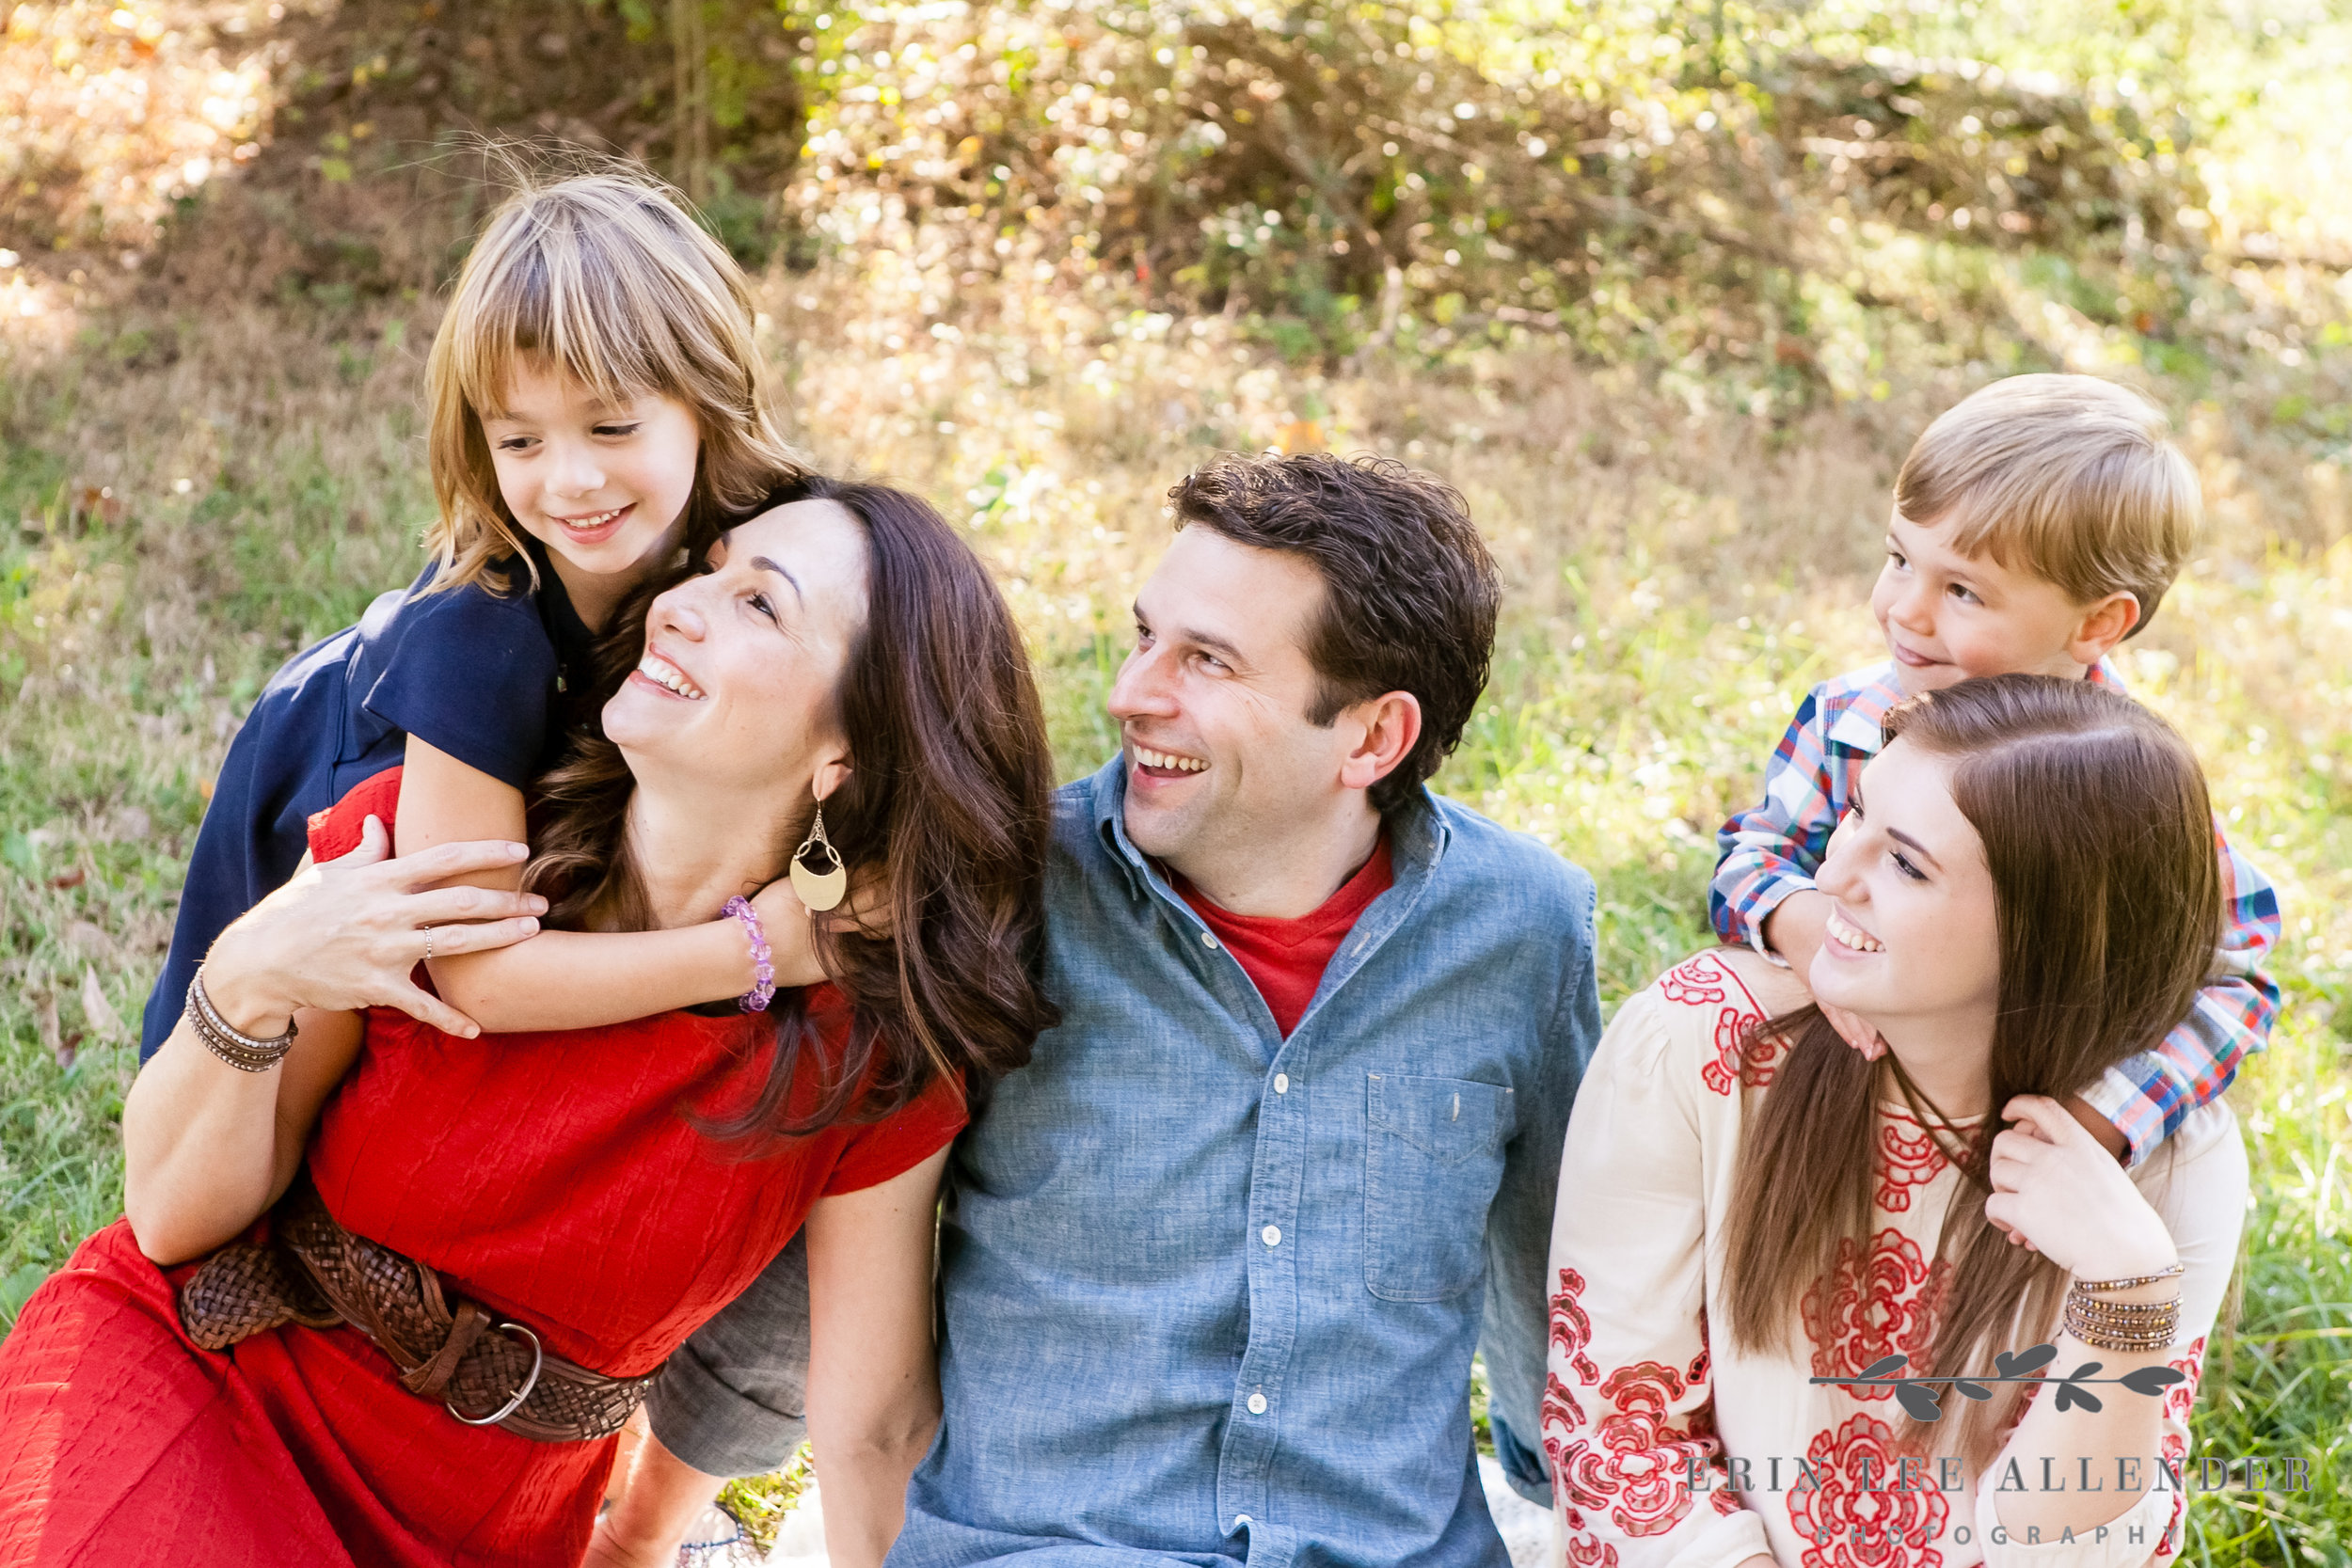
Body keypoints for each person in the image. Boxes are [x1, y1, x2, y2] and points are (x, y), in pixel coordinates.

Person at [0, 480, 1059, 1568]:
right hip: (216, 1395)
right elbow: (173, 1224)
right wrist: (251, 976)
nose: (683, 601)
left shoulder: (862, 1052)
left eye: (761, 605)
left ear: (849, 757)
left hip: (492, 1521)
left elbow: (872, 1424)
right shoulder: (438, 861)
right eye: (711, 566)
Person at [595, 451, 1605, 1565]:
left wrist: (1572, 1489)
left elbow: (1556, 1269)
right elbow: (822, 1250)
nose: (1130, 694)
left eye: (1207, 661)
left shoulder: (1524, 929)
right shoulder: (997, 894)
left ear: (1372, 737)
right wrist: (638, 1532)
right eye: (1144, 637)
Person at [1549, 674, 2248, 1566]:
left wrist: (2129, 1291)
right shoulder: (1698, 1040)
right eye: (1855, 816)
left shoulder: (2167, 1159)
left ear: (2053, 929)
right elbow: (1618, 1438)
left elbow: (2068, 1548)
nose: (1831, 876)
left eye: (1906, 864)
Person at [140, 167, 818, 1059]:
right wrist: (756, 950)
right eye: (520, 441)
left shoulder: (770, 532)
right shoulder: (479, 632)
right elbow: (482, 973)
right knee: (329, 1037)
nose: (572, 480)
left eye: (612, 428)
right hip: (342, 798)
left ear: (707, 399)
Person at [1711, 373, 2279, 1166]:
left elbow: (2235, 976)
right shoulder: (1847, 721)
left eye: (1964, 591)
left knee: (2202, 1149)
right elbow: (1751, 855)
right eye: (1900, 558)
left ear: (2096, 622)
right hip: (1848, 1089)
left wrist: (2103, 1117)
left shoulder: (2126, 788)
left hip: (2023, 1125)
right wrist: (1802, 927)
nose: (1906, 609)